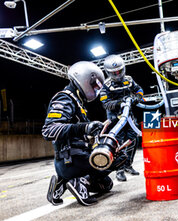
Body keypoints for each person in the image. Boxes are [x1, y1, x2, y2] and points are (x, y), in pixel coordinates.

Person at [42, 61, 126, 206]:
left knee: (106, 185)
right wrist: (85, 127)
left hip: (75, 160)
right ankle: (78, 181)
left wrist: (96, 130)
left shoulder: (78, 102)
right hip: (72, 160)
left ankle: (61, 183)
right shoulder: (64, 97)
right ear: (85, 78)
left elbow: (80, 132)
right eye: (94, 85)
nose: (95, 89)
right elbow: (49, 130)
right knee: (117, 159)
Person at [100, 54, 144, 182]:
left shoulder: (129, 80)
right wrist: (120, 102)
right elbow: (105, 104)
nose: (118, 74)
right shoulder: (106, 85)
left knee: (133, 140)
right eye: (114, 72)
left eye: (119, 71)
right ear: (108, 72)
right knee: (117, 143)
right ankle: (119, 170)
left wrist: (137, 98)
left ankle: (128, 165)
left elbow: (139, 90)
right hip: (115, 119)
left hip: (129, 116)